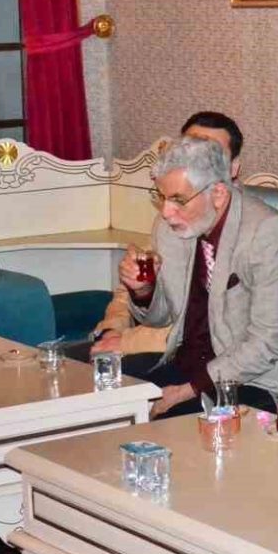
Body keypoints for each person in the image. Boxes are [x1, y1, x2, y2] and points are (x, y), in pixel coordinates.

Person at [119, 136, 278, 418]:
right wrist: (143, 291)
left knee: (170, 419)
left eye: (178, 200)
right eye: (161, 197)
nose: (166, 212)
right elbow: (163, 317)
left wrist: (187, 390)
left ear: (219, 194)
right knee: (111, 390)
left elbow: (271, 342)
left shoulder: (268, 234)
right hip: (188, 364)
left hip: (253, 380)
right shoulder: (170, 228)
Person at [87, 111, 246, 374]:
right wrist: (113, 327)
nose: (195, 160)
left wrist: (127, 342)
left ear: (233, 169)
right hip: (151, 338)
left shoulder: (250, 227)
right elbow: (137, 282)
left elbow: (209, 325)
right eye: (187, 150)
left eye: (210, 155)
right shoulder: (172, 214)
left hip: (205, 358)